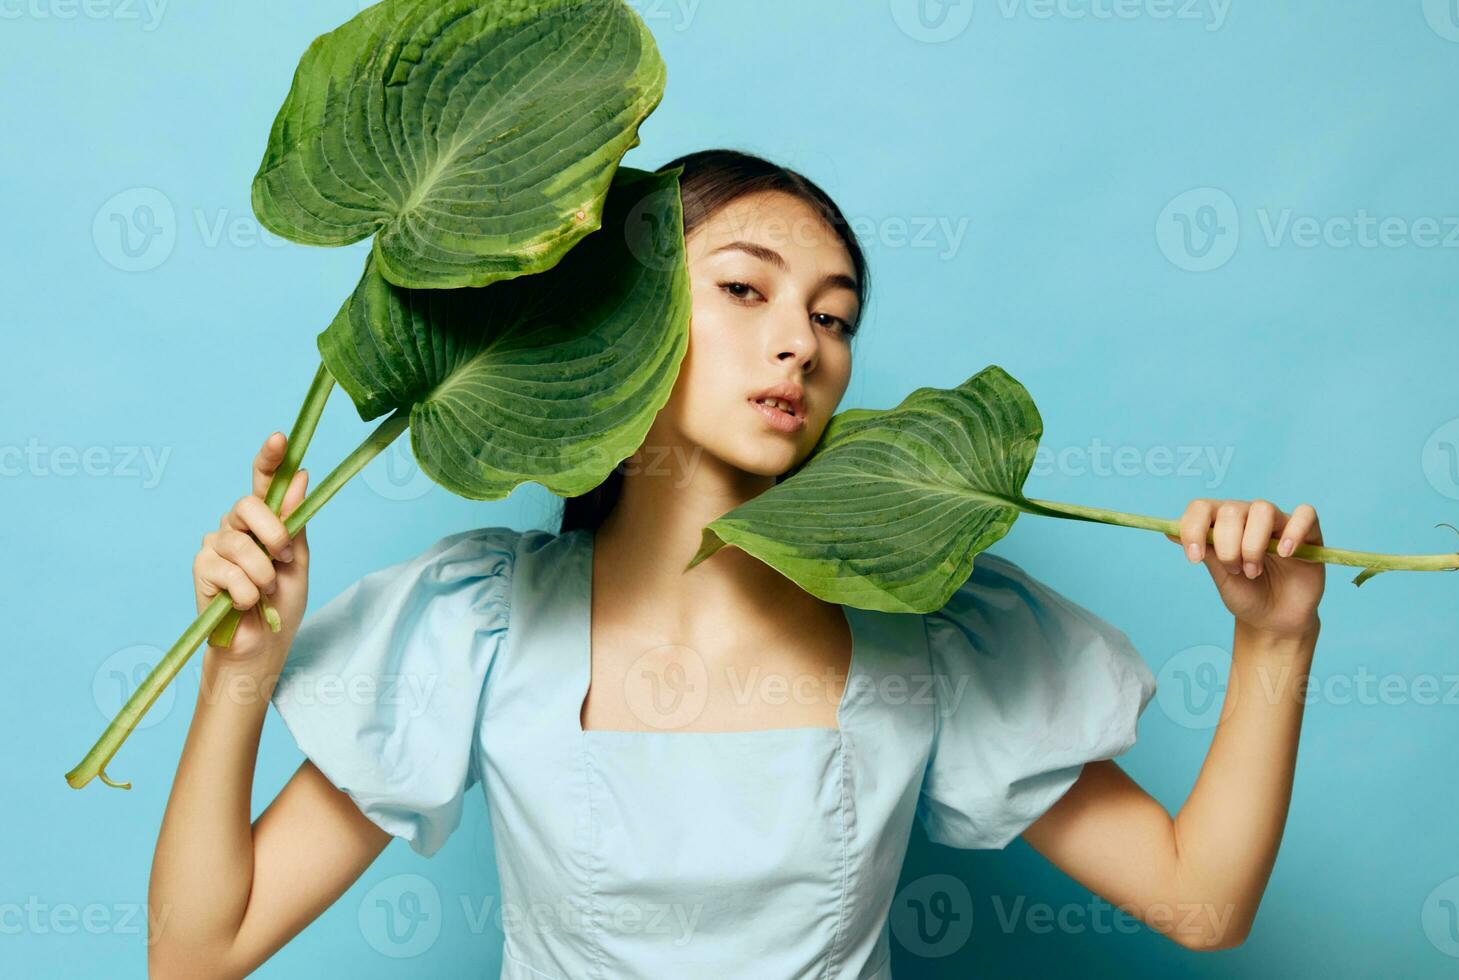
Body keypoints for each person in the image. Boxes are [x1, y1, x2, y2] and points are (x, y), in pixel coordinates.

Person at [147, 149, 1326, 978]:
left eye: (834, 316)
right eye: (745, 288)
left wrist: (1276, 637)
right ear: (630, 316)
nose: (797, 344)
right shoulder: (480, 618)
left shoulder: (928, 618)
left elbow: (1202, 901)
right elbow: (199, 950)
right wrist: (238, 673)